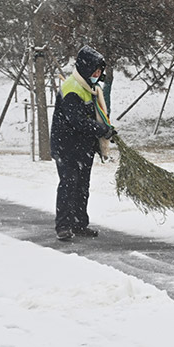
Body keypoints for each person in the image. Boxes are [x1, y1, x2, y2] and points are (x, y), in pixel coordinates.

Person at [50, 45, 117, 241]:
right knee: (69, 185)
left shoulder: (91, 87)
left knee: (82, 186)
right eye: (95, 70)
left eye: (100, 71)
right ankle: (63, 225)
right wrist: (101, 130)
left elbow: (93, 116)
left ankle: (80, 224)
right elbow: (77, 121)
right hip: (66, 146)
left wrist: (105, 128)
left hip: (83, 147)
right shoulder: (72, 88)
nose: (98, 74)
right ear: (86, 68)